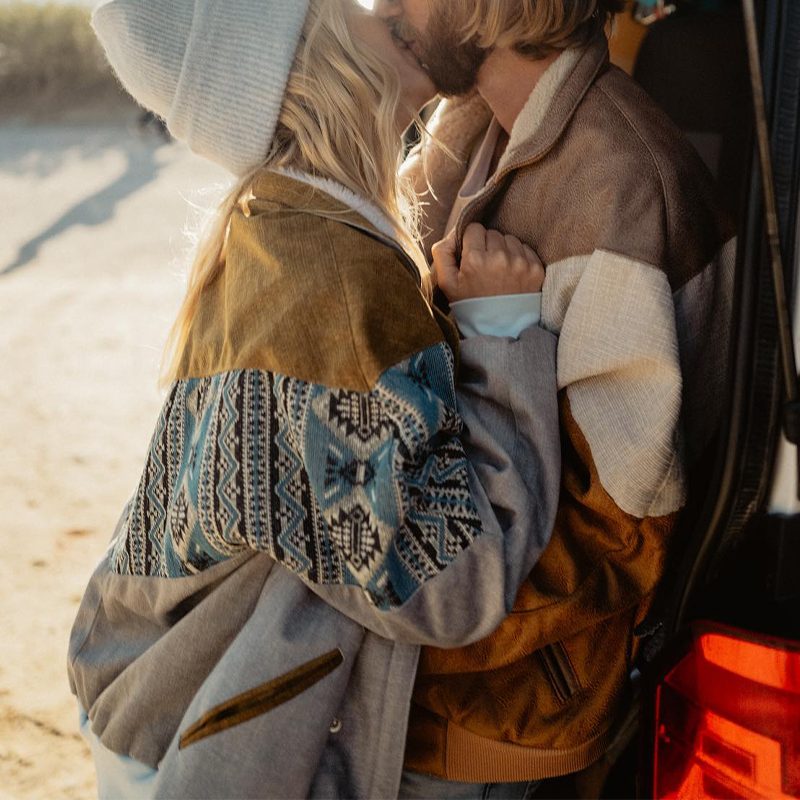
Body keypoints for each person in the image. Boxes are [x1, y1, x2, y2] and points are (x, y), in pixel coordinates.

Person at [68, 0, 562, 798]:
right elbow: (448, 589)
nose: (389, 10)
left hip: (168, 710)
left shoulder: (280, 227)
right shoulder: (329, 282)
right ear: (312, 59)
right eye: (353, 8)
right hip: (212, 743)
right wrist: (503, 335)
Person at [371, 0, 736, 794]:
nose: (386, 3)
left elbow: (617, 539)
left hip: (494, 718)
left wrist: (402, 628)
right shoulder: (465, 120)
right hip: (405, 697)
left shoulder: (621, 193)